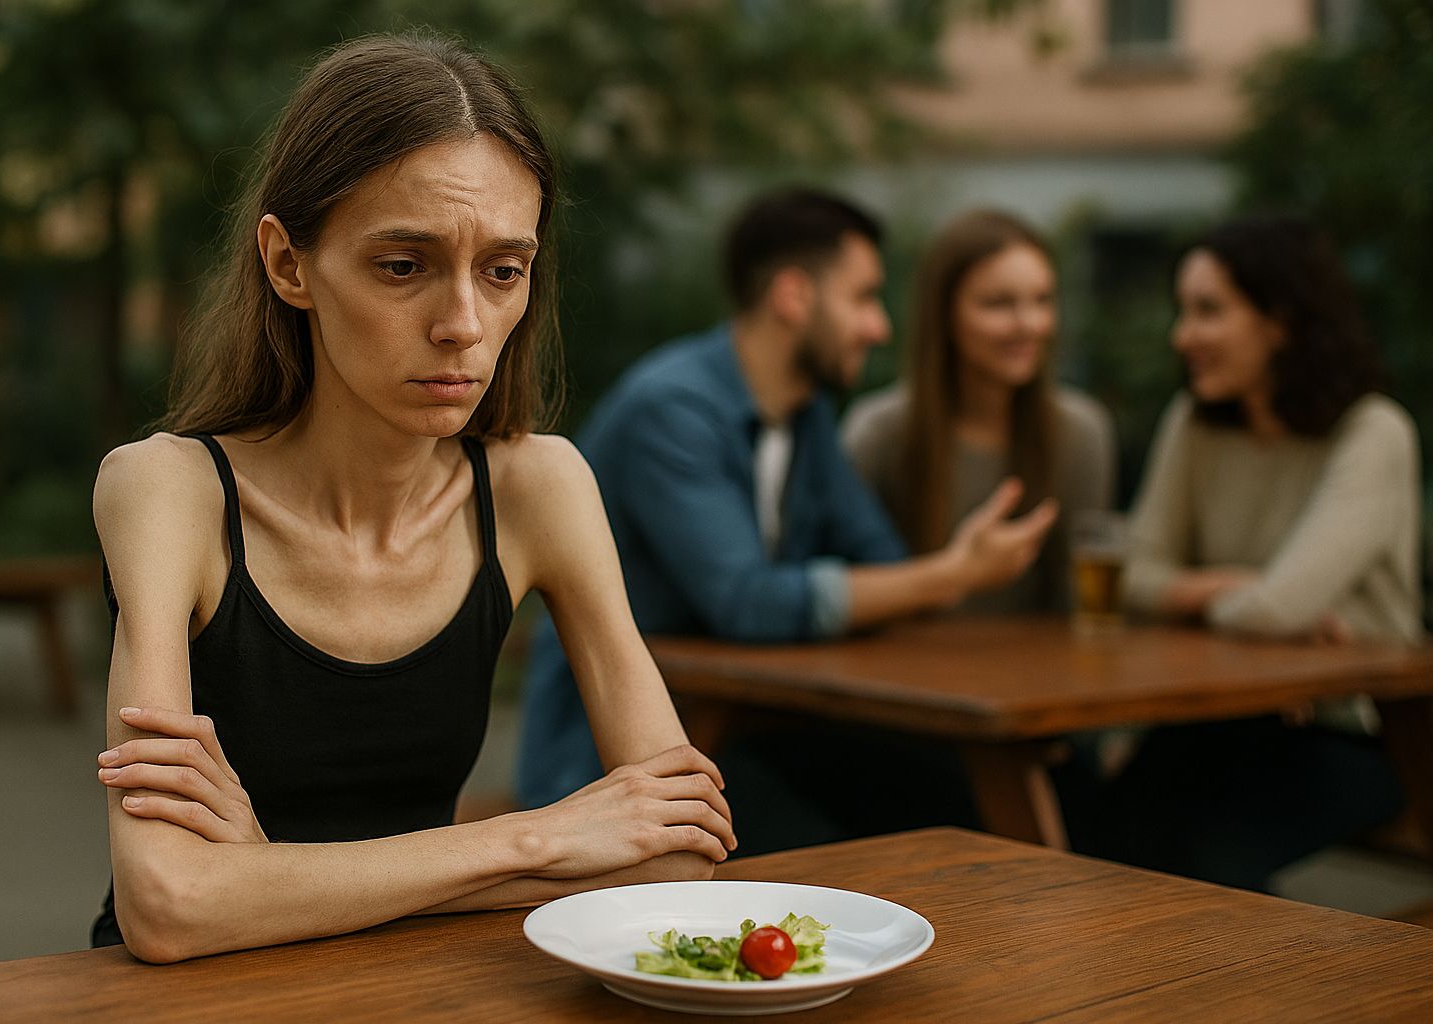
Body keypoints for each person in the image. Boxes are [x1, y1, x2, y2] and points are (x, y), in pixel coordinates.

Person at [89, 34, 736, 964]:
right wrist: (538, 838)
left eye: (503, 270)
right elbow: (169, 906)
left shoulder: (537, 487)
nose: (463, 325)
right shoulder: (168, 489)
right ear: (289, 264)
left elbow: (679, 853)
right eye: (404, 265)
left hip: (423, 988)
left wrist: (266, 878)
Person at [516, 188, 1058, 837]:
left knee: (955, 798)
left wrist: (926, 576)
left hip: (745, 733)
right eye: (862, 298)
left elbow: (877, 557)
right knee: (874, 835)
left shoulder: (804, 419)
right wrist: (955, 573)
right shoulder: (672, 412)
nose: (878, 326)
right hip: (615, 771)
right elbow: (745, 602)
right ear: (794, 296)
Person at [1090, 213, 1421, 891]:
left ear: (1280, 320)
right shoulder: (1197, 421)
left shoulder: (1373, 431)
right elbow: (1132, 579)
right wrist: (1230, 589)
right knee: (1094, 836)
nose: (1183, 336)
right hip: (1222, 715)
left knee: (1199, 864)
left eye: (1208, 311)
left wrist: (1256, 603)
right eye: (1183, 311)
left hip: (1357, 730)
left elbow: (1276, 609)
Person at [842, 209, 1115, 613]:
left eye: (1042, 300)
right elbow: (849, 585)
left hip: (1039, 671)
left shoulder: (1079, 432)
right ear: (944, 315)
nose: (1029, 324)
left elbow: (1078, 602)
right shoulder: (879, 434)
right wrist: (959, 571)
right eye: (999, 304)